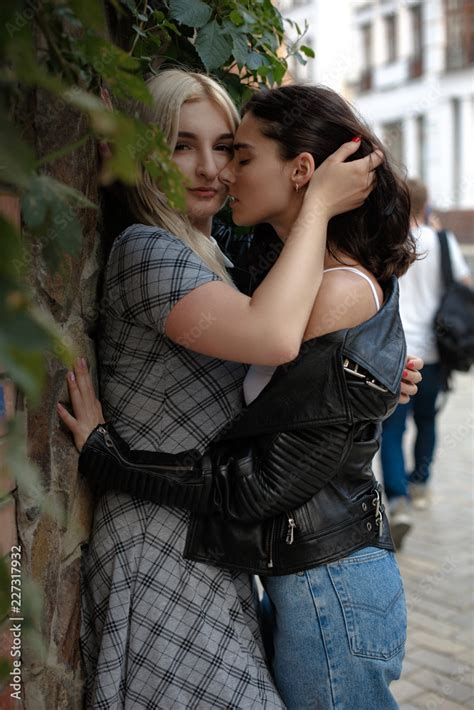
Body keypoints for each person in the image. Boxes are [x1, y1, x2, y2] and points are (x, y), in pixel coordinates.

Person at [58, 76, 423, 709]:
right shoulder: (151, 250)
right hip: (173, 543)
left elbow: (283, 401)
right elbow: (273, 339)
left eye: (229, 149)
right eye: (180, 145)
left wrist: (362, 383)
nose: (213, 170)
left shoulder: (214, 258)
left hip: (260, 555)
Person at [381, 178, 471, 548]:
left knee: (391, 429)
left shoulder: (387, 241)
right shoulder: (444, 242)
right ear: (426, 204)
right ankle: (420, 482)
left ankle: (397, 500)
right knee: (428, 418)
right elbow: (466, 284)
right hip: (434, 352)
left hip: (395, 353)